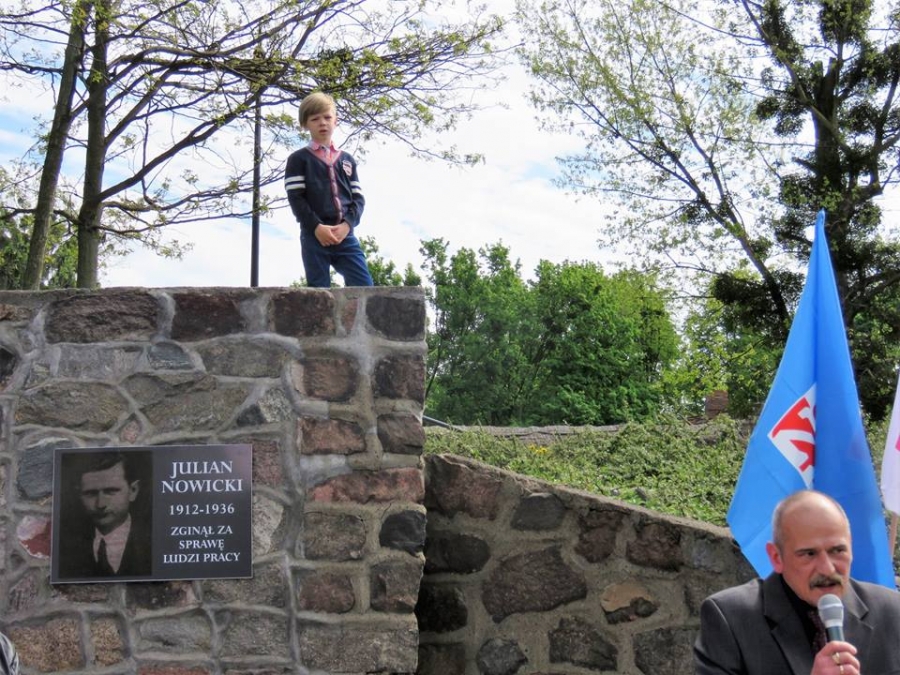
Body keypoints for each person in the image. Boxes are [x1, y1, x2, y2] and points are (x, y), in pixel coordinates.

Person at [694, 489, 900, 675]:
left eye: (837, 550)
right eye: (809, 554)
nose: (827, 569)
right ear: (776, 557)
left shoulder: (892, 611)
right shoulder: (731, 618)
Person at [284, 91, 374, 288]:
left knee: (364, 287)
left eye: (327, 117)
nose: (322, 123)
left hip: (345, 235)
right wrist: (316, 227)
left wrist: (347, 225)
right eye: (315, 119)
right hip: (314, 235)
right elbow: (296, 199)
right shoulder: (298, 159)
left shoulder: (347, 160)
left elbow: (358, 199)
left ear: (336, 120)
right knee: (319, 292)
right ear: (305, 124)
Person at [55, 451, 152, 580]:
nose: (100, 504)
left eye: (110, 491)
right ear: (79, 494)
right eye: (90, 493)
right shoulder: (65, 548)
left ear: (133, 491)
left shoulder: (154, 543)